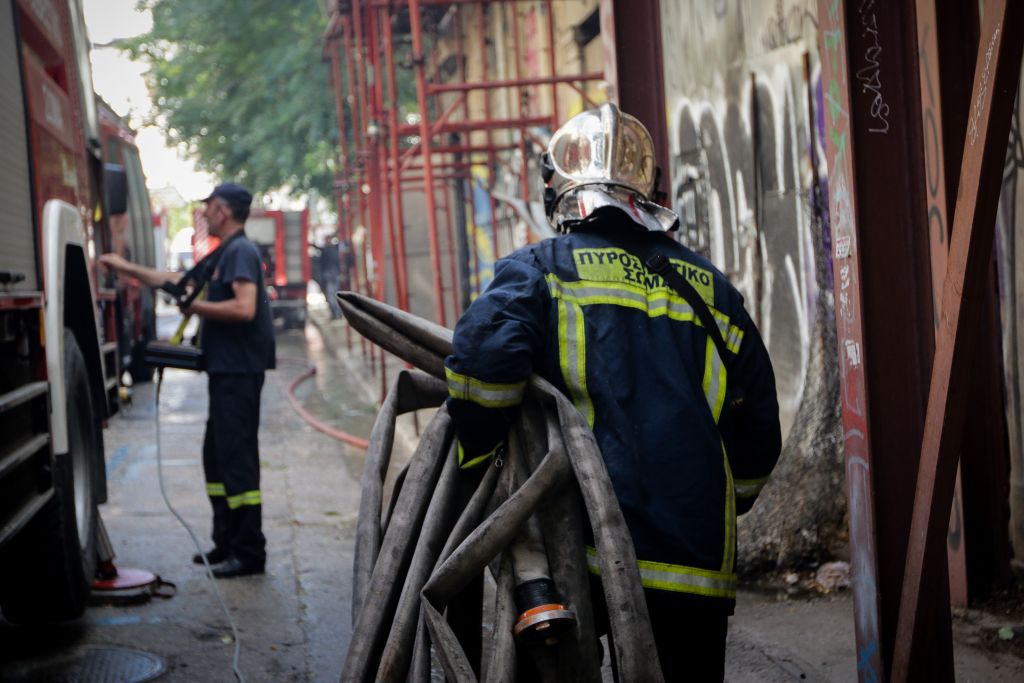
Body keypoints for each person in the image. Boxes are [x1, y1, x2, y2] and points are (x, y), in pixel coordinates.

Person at [443, 103, 781, 680]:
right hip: (694, 561)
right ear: (649, 192)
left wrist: (476, 456)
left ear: (557, 192)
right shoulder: (715, 291)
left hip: (580, 551)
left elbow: (482, 369)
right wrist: (719, 499)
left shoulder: (539, 271)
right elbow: (759, 432)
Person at [99, 182, 276, 579]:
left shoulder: (240, 252)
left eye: (209, 207)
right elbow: (176, 281)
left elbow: (245, 308)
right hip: (225, 372)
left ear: (223, 211)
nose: (204, 214)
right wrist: (125, 268)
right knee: (216, 459)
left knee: (237, 463)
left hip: (239, 373)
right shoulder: (224, 253)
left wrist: (196, 308)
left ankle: (249, 552)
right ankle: (226, 542)